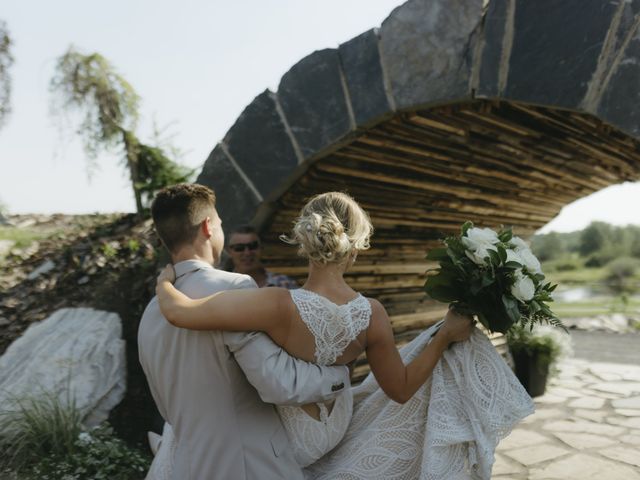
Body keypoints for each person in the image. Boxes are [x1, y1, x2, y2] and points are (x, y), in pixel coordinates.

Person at [155, 191, 475, 468]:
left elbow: (179, 313)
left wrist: (164, 283)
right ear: (354, 248)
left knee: (183, 431)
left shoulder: (277, 305)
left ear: (305, 239)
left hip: (289, 439)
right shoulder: (371, 313)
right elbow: (401, 389)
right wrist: (444, 335)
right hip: (334, 431)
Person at [137, 184, 351, 480]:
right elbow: (278, 382)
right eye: (221, 225)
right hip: (253, 466)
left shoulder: (150, 314)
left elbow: (166, 406)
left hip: (187, 468)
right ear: (208, 227)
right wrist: (340, 377)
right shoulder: (234, 287)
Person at [226, 224, 299, 288]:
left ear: (261, 248)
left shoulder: (283, 284)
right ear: (229, 252)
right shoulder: (223, 287)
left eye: (253, 246)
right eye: (239, 248)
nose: (247, 253)